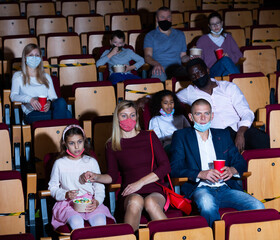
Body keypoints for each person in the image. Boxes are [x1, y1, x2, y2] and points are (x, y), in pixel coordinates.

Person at [170, 99, 265, 227]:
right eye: (198, 114)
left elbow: (241, 163)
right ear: (191, 117)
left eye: (207, 113)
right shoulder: (181, 136)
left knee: (258, 206)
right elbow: (175, 168)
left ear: (212, 115)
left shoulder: (223, 134)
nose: (203, 118)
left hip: (225, 188)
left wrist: (232, 170)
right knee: (207, 205)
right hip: (200, 188)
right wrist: (200, 173)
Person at [80, 100, 171, 232]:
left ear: (137, 117)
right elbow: (112, 176)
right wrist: (95, 177)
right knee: (135, 201)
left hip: (154, 188)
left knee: (150, 203)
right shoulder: (111, 145)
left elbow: (165, 166)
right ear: (117, 118)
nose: (129, 119)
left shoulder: (149, 136)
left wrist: (140, 183)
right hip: (130, 192)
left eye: (132, 115)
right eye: (124, 115)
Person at [177, 58, 270, 152]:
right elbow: (168, 100)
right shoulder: (189, 93)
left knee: (261, 138)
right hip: (216, 135)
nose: (197, 77)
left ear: (207, 70)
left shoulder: (228, 87)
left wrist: (241, 133)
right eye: (193, 76)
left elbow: (246, 112)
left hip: (238, 128)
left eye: (200, 73)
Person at [48, 125, 115, 230]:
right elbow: (52, 188)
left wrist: (97, 201)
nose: (76, 146)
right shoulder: (59, 164)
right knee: (76, 222)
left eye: (79, 142)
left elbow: (98, 186)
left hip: (89, 202)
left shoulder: (91, 161)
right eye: (71, 143)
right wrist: (65, 194)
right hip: (68, 204)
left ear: (84, 141)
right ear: (65, 144)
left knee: (100, 222)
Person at [10, 43, 72, 124]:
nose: (34, 58)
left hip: (47, 111)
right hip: (31, 113)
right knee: (67, 114)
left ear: (40, 58)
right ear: (25, 58)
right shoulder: (18, 76)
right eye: (31, 55)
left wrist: (49, 103)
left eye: (37, 55)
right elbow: (13, 96)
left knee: (61, 101)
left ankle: (57, 131)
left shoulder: (46, 76)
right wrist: (30, 99)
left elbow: (54, 98)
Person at [144, 7, 189, 82]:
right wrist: (156, 64)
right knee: (158, 77)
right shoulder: (150, 36)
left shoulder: (180, 34)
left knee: (189, 76)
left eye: (168, 17)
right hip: (159, 67)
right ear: (157, 19)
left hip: (176, 68)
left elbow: (183, 56)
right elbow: (147, 56)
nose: (166, 20)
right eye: (162, 17)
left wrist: (190, 58)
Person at [196, 11, 242, 77]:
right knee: (225, 60)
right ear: (209, 26)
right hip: (212, 73)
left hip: (227, 70)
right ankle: (240, 82)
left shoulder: (228, 37)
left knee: (226, 71)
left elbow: (239, 55)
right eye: (213, 24)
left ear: (222, 23)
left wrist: (229, 57)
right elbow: (199, 61)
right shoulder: (202, 40)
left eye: (218, 23)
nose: (216, 26)